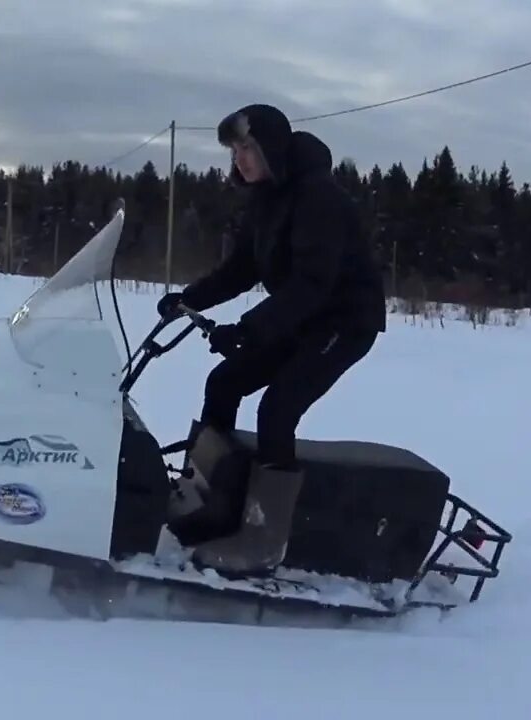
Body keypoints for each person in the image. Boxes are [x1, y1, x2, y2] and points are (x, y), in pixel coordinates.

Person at [157, 103, 386, 574]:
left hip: (344, 322)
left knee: (277, 410)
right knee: (224, 383)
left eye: (248, 147)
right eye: (234, 149)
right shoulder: (267, 198)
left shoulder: (318, 198)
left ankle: (263, 541)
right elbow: (242, 269)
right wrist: (189, 299)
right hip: (302, 316)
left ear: (273, 148)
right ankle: (209, 502)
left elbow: (312, 283)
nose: (240, 158)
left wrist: (249, 330)